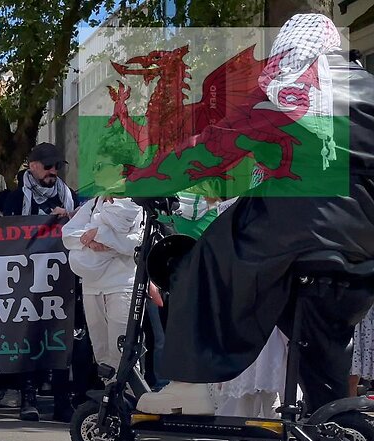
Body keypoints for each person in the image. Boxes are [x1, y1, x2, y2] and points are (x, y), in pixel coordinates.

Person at [139, 15, 374, 416]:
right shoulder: (368, 87)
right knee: (323, 334)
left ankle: (190, 382)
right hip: (363, 239)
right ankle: (332, 423)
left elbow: (218, 145)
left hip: (298, 231)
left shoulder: (288, 88)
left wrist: (152, 176)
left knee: (204, 261)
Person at [0, 143, 81, 422]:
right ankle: (28, 398)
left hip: (61, 279)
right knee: (28, 338)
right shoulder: (11, 198)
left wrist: (69, 219)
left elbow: (83, 227)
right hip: (23, 280)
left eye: (57, 166)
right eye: (47, 165)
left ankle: (62, 401)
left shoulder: (70, 197)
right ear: (32, 165)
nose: (53, 171)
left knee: (60, 339)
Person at [60, 184, 144, 372]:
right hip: (91, 287)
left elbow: (135, 244)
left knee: (123, 349)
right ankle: (110, 396)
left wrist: (100, 234)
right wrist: (91, 241)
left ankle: (129, 397)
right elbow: (68, 234)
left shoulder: (136, 205)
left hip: (121, 286)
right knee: (101, 351)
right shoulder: (92, 205)